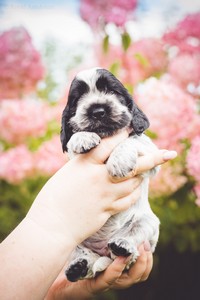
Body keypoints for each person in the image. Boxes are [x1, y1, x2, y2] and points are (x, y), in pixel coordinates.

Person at [0, 130, 177, 300]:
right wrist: (54, 220)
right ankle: (88, 263)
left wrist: (51, 294)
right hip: (85, 242)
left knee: (147, 225)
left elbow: (152, 165)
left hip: (128, 228)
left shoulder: (135, 137)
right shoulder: (81, 138)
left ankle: (113, 252)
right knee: (80, 252)